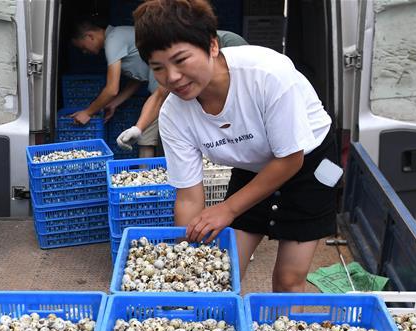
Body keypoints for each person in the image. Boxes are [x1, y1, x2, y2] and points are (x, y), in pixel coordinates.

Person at [134, 0, 340, 293]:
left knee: (287, 279)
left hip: (308, 163)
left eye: (181, 60)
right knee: (221, 273)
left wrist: (228, 209)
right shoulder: (173, 115)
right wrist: (188, 256)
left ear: (212, 46)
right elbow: (189, 197)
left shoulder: (268, 74)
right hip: (252, 167)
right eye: (158, 67)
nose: (172, 77)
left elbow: (290, 159)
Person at [70, 17, 246, 158]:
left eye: (83, 48)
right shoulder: (126, 40)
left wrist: (88, 112)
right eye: (157, 66)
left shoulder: (113, 41)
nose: (173, 76)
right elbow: (146, 83)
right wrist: (129, 118)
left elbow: (111, 88)